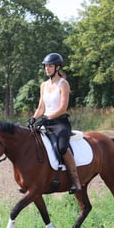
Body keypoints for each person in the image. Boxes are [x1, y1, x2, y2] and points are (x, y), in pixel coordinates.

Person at [28, 52, 82, 194]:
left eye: (50, 66)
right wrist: (33, 118)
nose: (47, 68)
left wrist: (47, 118)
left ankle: (75, 181)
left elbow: (63, 108)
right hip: (46, 122)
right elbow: (41, 108)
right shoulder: (43, 85)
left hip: (60, 123)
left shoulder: (63, 84)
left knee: (62, 147)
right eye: (46, 66)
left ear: (57, 67)